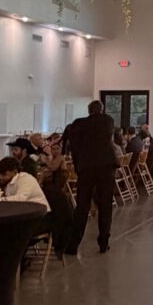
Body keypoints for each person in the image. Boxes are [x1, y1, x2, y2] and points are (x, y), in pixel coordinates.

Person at [66, 100, 117, 254]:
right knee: (105, 206)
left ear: (88, 111)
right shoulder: (108, 121)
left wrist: (78, 165)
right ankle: (103, 242)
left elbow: (74, 147)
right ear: (101, 110)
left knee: (82, 206)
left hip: (86, 167)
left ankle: (73, 244)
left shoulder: (79, 124)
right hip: (106, 167)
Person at [39, 139, 74, 255]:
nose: (54, 151)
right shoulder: (53, 158)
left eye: (57, 148)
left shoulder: (60, 158)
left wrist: (45, 161)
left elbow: (53, 168)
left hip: (58, 186)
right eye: (52, 149)